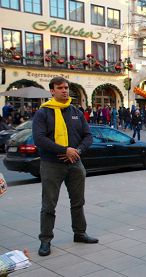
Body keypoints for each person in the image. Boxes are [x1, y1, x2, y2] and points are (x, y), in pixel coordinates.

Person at [32, 77, 96, 257]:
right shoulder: (43, 113)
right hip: (52, 164)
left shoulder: (75, 111)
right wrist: (63, 150)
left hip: (75, 163)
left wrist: (77, 151)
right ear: (52, 91)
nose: (64, 90)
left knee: (78, 202)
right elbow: (39, 139)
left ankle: (80, 233)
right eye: (60, 88)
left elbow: (88, 136)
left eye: (66, 87)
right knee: (48, 205)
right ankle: (45, 240)